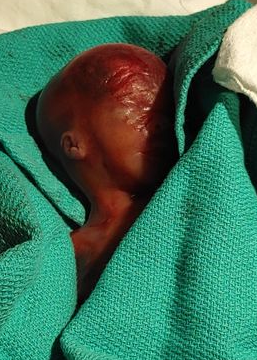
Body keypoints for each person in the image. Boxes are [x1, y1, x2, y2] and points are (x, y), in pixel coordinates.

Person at [35, 43, 176, 301]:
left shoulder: (183, 196)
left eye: (168, 111)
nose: (162, 123)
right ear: (75, 144)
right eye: (137, 108)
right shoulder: (65, 252)